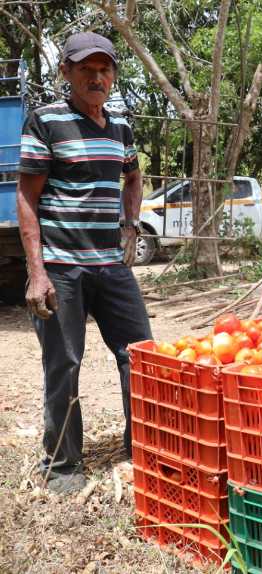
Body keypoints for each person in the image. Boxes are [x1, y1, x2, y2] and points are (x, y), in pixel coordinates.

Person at [17, 32, 151, 493]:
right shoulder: (46, 121)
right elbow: (26, 197)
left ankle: (146, 450)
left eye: (105, 69)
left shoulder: (121, 126)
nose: (97, 78)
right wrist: (37, 272)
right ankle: (62, 466)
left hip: (111, 266)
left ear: (113, 75)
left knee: (142, 357)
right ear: (66, 73)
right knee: (64, 361)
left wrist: (131, 224)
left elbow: (133, 177)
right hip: (61, 265)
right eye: (86, 70)